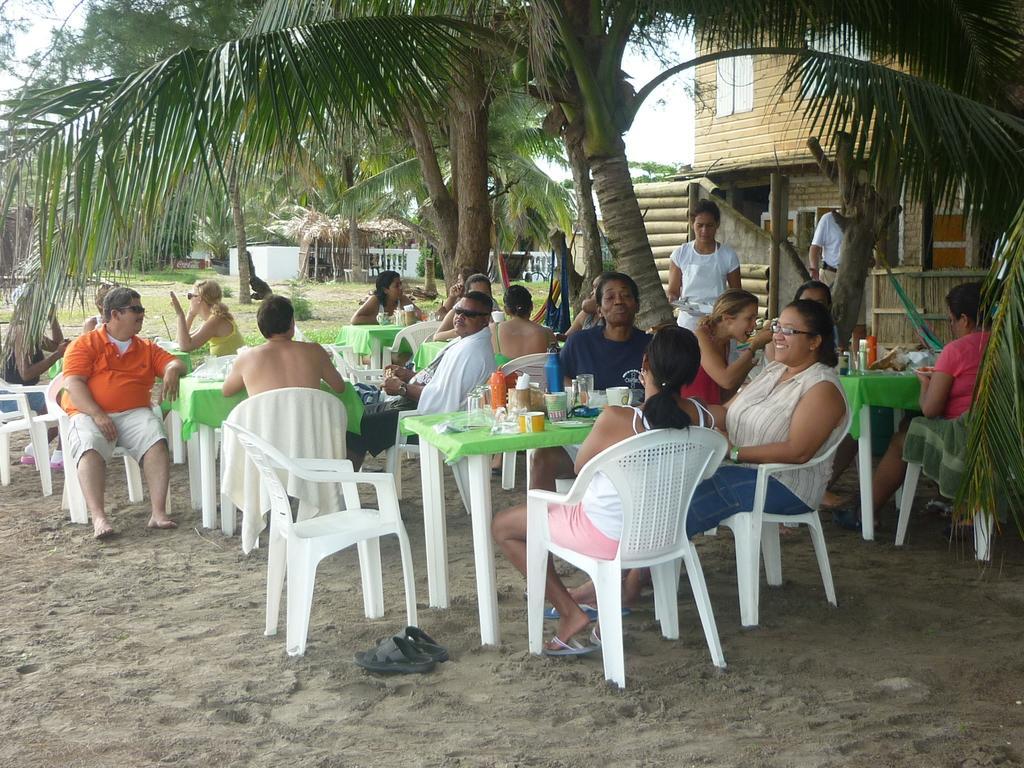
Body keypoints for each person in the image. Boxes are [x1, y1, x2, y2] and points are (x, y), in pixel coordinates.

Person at [492, 326, 715, 653]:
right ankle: (589, 612)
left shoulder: (618, 417)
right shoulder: (706, 418)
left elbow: (582, 467)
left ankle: (570, 613)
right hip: (666, 533)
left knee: (503, 527)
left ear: (645, 365)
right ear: (693, 371)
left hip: (606, 533)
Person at [829, 282, 990, 531]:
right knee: (908, 423)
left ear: (965, 320)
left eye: (951, 320)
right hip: (997, 433)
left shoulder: (956, 351)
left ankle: (866, 512)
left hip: (964, 436)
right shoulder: (1007, 346)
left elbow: (930, 409)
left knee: (903, 439)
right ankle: (948, 501)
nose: (951, 327)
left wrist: (925, 383)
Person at [685, 300, 849, 537]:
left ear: (814, 341)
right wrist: (685, 413)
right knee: (679, 480)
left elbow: (798, 451)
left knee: (701, 491)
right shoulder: (775, 370)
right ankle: (649, 563)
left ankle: (645, 565)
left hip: (787, 485)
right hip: (749, 472)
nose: (778, 336)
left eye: (789, 331)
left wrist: (734, 452)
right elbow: (726, 413)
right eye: (777, 328)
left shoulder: (821, 387)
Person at [62, 287, 185, 539]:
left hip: (134, 413)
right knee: (89, 445)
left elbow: (176, 361)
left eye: (141, 309)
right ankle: (99, 518)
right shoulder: (84, 344)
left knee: (155, 438)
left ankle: (158, 514)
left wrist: (172, 368)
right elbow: (73, 384)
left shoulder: (146, 347)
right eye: (136, 309)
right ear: (115, 314)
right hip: (88, 412)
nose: (142, 314)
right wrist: (97, 414)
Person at [346, 291, 496, 467]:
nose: (459, 317)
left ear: (485, 320)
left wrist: (402, 388)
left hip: (430, 420)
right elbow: (439, 382)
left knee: (356, 429)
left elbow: (443, 401)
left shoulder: (472, 352)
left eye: (469, 314)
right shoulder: (465, 340)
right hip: (415, 405)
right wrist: (408, 375)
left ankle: (344, 486)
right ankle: (343, 482)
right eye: (457, 311)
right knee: (353, 417)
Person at [531, 273, 651, 493]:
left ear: (637, 305)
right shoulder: (579, 342)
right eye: (610, 297)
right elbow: (558, 379)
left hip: (633, 445)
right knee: (542, 458)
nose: (618, 301)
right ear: (598, 309)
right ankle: (542, 523)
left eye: (626, 296)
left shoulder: (650, 346)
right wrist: (583, 394)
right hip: (583, 441)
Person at [223, 295, 346, 398]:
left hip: (264, 426)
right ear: (292, 322)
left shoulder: (246, 358)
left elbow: (227, 391)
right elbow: (340, 387)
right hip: (309, 426)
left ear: (260, 325)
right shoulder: (315, 351)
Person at [2, 304, 70, 467]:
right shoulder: (21, 331)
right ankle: (60, 454)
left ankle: (35, 448)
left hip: (22, 390)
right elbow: (26, 373)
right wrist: (56, 355)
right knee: (62, 403)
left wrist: (52, 319)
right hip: (12, 393)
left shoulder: (31, 329)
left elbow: (56, 345)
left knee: (60, 402)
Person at [684, 289, 773, 405]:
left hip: (709, 413)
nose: (754, 325)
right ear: (727, 319)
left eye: (755, 319)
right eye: (749, 318)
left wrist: (748, 365)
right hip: (692, 416)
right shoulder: (701, 337)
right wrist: (754, 346)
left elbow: (724, 395)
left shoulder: (726, 342)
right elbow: (726, 380)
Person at [667, 199, 742, 331]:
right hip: (688, 323)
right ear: (692, 224)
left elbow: (737, 294)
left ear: (717, 224)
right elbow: (673, 291)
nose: (704, 230)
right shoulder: (680, 254)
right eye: (700, 225)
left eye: (709, 225)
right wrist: (673, 300)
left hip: (718, 321)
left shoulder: (728, 255)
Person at [808, 210, 866, 348]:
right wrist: (814, 270)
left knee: (859, 326)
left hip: (855, 278)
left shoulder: (863, 220)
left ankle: (857, 365)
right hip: (830, 275)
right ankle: (829, 360)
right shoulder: (828, 219)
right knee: (829, 322)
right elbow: (815, 247)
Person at [170, 279, 244, 356]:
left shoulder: (215, 320)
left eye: (190, 296)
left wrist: (180, 314)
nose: (190, 300)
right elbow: (180, 341)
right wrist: (190, 314)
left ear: (199, 298)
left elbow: (185, 347)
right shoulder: (213, 318)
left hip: (235, 366)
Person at [493, 284, 556, 365]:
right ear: (531, 306)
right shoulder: (547, 334)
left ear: (506, 309)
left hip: (504, 377)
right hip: (538, 377)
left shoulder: (494, 330)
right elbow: (558, 363)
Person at [433, 273, 492, 341]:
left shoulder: (494, 309)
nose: (480, 299)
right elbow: (436, 337)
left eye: (485, 294)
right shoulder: (459, 310)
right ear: (467, 294)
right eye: (474, 295)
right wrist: (459, 331)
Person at [350, 270, 419, 325]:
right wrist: (385, 320)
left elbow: (421, 314)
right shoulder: (375, 300)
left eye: (400, 284)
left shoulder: (403, 299)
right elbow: (355, 319)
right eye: (397, 286)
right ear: (385, 290)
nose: (401, 287)